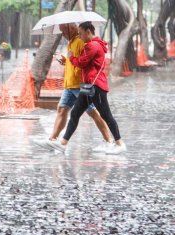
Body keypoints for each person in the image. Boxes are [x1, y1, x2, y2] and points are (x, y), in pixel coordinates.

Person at [48, 21, 126, 155]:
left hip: (96, 87)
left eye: (81, 33)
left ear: (88, 32)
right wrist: (70, 60)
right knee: (75, 113)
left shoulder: (93, 46)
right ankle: (63, 144)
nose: (80, 36)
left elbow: (82, 63)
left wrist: (71, 58)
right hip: (88, 86)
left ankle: (119, 143)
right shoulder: (93, 44)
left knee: (106, 115)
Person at [36, 23, 111, 152]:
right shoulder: (71, 42)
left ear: (71, 28)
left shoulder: (81, 42)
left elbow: (83, 63)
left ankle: (108, 140)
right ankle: (52, 139)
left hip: (79, 85)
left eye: (63, 30)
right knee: (62, 109)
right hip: (69, 85)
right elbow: (74, 61)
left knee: (93, 113)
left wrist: (72, 61)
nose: (62, 34)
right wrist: (67, 61)